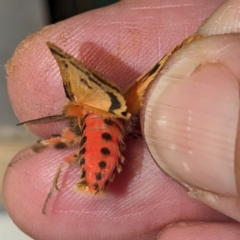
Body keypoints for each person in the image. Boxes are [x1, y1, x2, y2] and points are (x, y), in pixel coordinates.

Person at [3, 0, 240, 239]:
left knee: (62, 160)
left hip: (102, 133)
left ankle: (61, 181)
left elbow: (68, 138)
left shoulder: (82, 111)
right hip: (112, 126)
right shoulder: (108, 107)